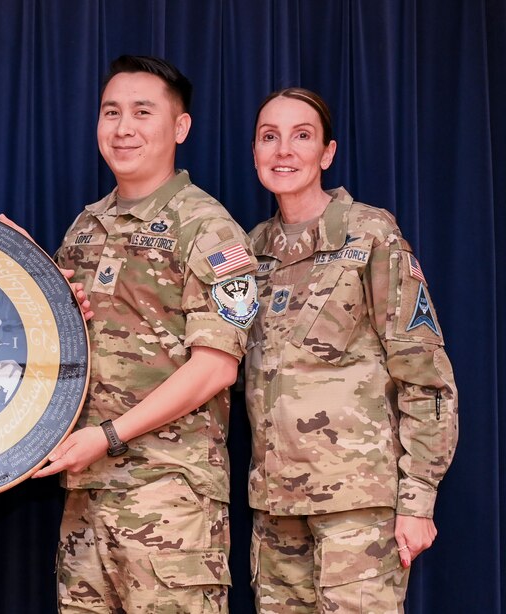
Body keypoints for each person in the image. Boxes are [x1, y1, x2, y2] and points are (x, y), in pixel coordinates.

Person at [34, 55, 259, 612]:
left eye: (142, 111)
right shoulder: (86, 227)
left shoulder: (209, 228)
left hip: (170, 502)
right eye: (111, 112)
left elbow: (216, 366)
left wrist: (108, 435)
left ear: (179, 127)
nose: (123, 127)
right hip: (87, 501)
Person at [244, 87, 458, 613]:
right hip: (275, 511)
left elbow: (425, 373)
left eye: (302, 136)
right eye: (269, 137)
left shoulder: (370, 234)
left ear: (328, 153)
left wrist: (418, 500)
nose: (284, 151)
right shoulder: (249, 252)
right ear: (255, 152)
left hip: (358, 508)